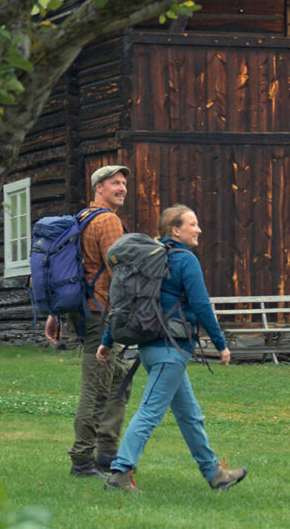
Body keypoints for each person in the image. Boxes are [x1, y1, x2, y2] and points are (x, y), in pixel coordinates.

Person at [97, 205, 247, 493]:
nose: (198, 229)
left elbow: (125, 303)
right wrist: (220, 344)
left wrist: (107, 341)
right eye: (193, 224)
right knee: (149, 413)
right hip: (171, 352)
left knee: (190, 415)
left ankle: (215, 474)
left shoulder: (148, 260)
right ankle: (119, 474)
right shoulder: (184, 260)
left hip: (153, 351)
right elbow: (202, 304)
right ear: (175, 230)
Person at [46, 164, 134, 478]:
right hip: (103, 312)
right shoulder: (108, 220)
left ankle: (107, 454)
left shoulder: (81, 218)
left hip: (85, 310)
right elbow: (119, 271)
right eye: (115, 183)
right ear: (99, 187)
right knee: (96, 388)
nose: (122, 188)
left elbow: (70, 270)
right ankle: (82, 461)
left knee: (118, 378)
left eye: (123, 183)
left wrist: (53, 313)